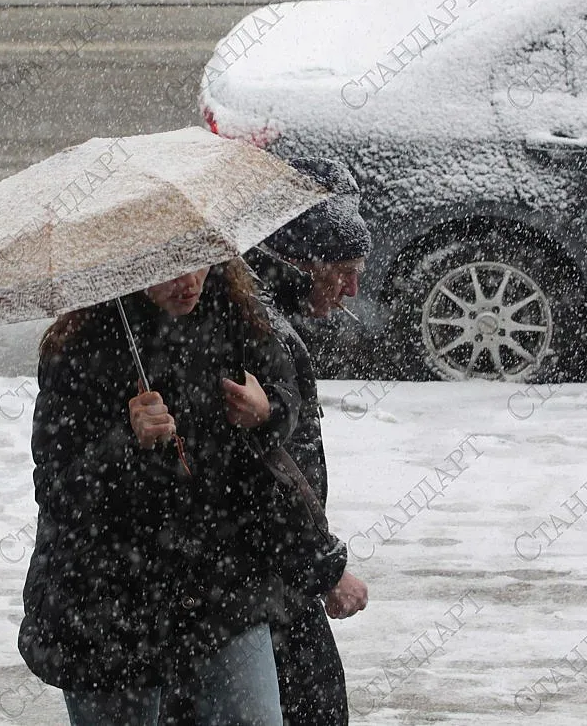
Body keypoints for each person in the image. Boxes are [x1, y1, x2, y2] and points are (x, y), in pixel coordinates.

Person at [18, 258, 343, 726]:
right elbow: (58, 491)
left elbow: (286, 401)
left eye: (199, 264)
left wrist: (267, 410)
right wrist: (126, 443)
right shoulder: (81, 347)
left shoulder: (238, 317)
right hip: (108, 601)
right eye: (170, 269)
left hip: (219, 585)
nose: (188, 282)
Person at [249, 157, 372, 726]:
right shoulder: (262, 334)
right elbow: (266, 476)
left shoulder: (266, 316)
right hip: (265, 589)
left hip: (272, 582)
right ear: (298, 264)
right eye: (343, 270)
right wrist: (324, 570)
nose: (351, 289)